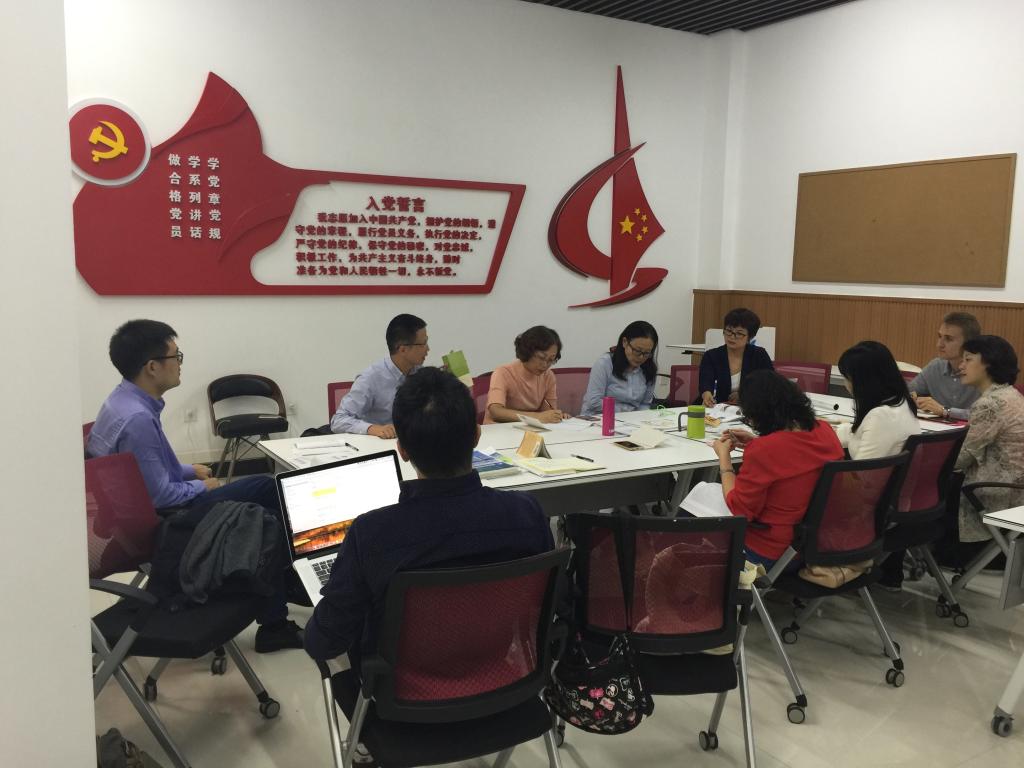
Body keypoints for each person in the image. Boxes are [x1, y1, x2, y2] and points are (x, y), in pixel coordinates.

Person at [304, 367, 554, 664]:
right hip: (500, 673)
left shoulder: (371, 533)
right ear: (476, 436)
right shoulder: (526, 513)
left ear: (402, 450)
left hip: (402, 690)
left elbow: (323, 643)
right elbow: (546, 605)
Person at [86, 320, 302, 652]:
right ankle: (278, 608)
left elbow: (145, 469)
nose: (180, 364)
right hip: (161, 524)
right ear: (153, 367)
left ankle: (279, 587)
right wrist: (204, 487)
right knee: (265, 500)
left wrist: (189, 470)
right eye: (176, 356)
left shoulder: (122, 401)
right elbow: (160, 496)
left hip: (125, 521)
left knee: (265, 496)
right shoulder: (138, 419)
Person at [712, 370, 844, 570]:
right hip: (814, 545)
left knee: (695, 504)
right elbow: (797, 456)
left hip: (768, 552)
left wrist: (724, 459)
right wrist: (756, 442)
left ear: (758, 413)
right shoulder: (825, 430)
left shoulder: (764, 450)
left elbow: (740, 510)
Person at [836, 341, 921, 592]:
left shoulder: (880, 416)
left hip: (870, 507)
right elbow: (859, 436)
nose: (846, 384)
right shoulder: (900, 404)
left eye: (848, 378)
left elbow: (860, 477)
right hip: (895, 500)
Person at [952, 335, 1024, 547]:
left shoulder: (990, 404)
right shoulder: (1011, 394)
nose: (961, 365)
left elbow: (959, 459)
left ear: (989, 364)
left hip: (999, 494)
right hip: (1016, 489)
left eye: (968, 359)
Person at [330, 314, 429, 438]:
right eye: (423, 344)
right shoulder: (370, 379)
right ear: (403, 349)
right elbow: (338, 420)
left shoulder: (419, 372)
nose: (428, 349)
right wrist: (372, 428)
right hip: (381, 443)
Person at [485, 325, 567, 424]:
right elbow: (496, 412)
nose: (545, 365)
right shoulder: (503, 373)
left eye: (551, 360)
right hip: (498, 429)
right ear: (527, 352)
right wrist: (537, 417)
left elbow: (548, 412)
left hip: (529, 429)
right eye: (541, 357)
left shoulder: (548, 376)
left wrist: (556, 416)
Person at [909, 311, 981, 420]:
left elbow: (987, 416)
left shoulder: (982, 371)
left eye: (948, 339)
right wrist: (911, 398)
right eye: (939, 336)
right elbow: (909, 391)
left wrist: (945, 411)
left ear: (968, 343)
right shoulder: (936, 366)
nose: (939, 344)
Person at [699, 307, 774, 407]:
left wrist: (744, 395)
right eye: (729, 331)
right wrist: (706, 394)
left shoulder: (759, 355)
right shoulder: (711, 356)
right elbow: (705, 382)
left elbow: (769, 384)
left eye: (739, 333)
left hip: (750, 408)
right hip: (716, 407)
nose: (732, 337)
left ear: (750, 337)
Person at [581, 321, 658, 417]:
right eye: (637, 351)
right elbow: (594, 401)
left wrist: (638, 417)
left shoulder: (649, 369)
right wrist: (627, 411)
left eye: (647, 353)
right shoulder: (605, 363)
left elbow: (645, 404)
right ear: (625, 342)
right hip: (598, 418)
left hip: (631, 421)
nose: (641, 357)